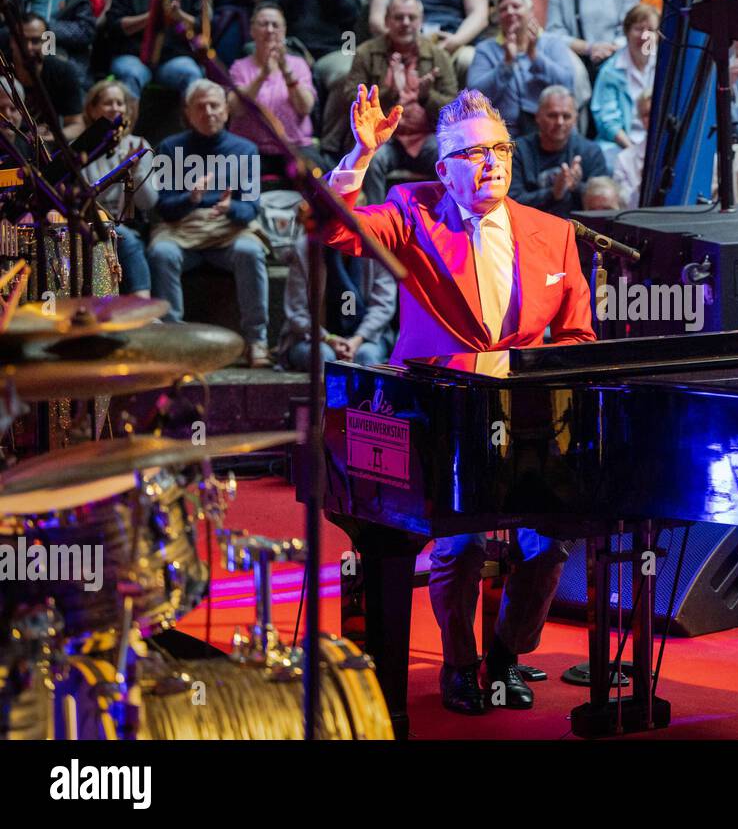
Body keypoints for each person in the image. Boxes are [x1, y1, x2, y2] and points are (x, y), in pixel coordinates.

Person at [318, 86, 595, 713]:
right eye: (474, 153)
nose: (491, 161)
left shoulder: (555, 233)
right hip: (441, 416)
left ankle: (505, 656)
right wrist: (361, 153)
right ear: (445, 170)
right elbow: (336, 230)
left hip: (529, 420)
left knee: (547, 543)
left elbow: (579, 336)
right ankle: (459, 663)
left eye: (499, 148)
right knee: (462, 545)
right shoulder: (412, 211)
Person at [149, 79, 271, 368]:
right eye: (200, 107)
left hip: (226, 231)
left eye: (214, 105)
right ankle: (172, 340)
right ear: (188, 113)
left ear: (226, 111)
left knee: (250, 251)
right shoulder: (170, 148)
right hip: (183, 230)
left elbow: (251, 208)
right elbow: (163, 208)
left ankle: (257, 341)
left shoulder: (245, 150)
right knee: (161, 253)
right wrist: (191, 198)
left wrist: (231, 208)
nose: (209, 112)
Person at [339, 0, 458, 200]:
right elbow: (349, 99)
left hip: (425, 137)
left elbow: (455, 110)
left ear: (420, 22)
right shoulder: (366, 53)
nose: (405, 23)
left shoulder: (439, 56)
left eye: (411, 18)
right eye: (398, 17)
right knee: (371, 160)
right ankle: (373, 225)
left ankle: (444, 223)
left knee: (451, 158)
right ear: (387, 21)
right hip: (384, 139)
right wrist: (389, 91)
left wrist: (426, 96)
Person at [79, 79, 159, 297]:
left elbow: (149, 202)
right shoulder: (81, 148)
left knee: (126, 238)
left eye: (120, 103)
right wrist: (117, 174)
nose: (115, 108)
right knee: (117, 236)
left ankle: (142, 309)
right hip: (91, 222)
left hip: (129, 224)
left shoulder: (139, 145)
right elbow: (83, 199)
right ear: (93, 109)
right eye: (107, 103)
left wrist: (135, 172)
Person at [228, 2, 323, 175]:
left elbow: (305, 107)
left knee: (321, 181)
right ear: (252, 31)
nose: (270, 30)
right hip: (252, 149)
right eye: (263, 24)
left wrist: (286, 71)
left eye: (275, 25)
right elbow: (235, 109)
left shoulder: (299, 65)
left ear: (284, 31)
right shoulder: (239, 67)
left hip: (295, 146)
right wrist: (262, 75)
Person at [466, 0, 575, 136]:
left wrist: (534, 57)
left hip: (549, 133)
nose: (510, 12)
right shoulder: (486, 49)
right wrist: (506, 64)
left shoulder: (552, 43)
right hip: (503, 134)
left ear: (530, 11)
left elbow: (567, 83)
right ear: (498, 17)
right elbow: (475, 96)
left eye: (516, 6)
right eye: (504, 9)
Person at [278, 232, 396, 369]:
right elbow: (297, 311)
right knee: (324, 356)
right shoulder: (306, 247)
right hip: (313, 337)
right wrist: (328, 338)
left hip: (368, 337)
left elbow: (383, 306)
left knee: (366, 356)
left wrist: (357, 339)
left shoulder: (376, 245)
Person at [508, 85, 609, 216]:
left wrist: (577, 186)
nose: (560, 122)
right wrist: (553, 193)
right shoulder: (517, 152)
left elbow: (602, 205)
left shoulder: (591, 152)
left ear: (575, 119)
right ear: (537, 117)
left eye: (566, 116)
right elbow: (510, 202)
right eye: (552, 115)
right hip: (529, 227)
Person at [590, 3, 658, 170]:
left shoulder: (666, 68)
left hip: (655, 141)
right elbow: (607, 121)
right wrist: (632, 151)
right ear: (627, 32)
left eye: (650, 29)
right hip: (621, 142)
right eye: (638, 29)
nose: (644, 36)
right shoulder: (611, 71)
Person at [8, 14, 85, 139]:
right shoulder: (3, 69)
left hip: (46, 144)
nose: (28, 48)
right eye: (22, 41)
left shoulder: (63, 71)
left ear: (48, 43)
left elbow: (77, 125)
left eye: (35, 41)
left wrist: (53, 137)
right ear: (12, 42)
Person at [612, 88, 652, 206]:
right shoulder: (624, 159)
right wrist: (642, 186)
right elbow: (623, 205)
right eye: (647, 115)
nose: (653, 119)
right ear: (640, 119)